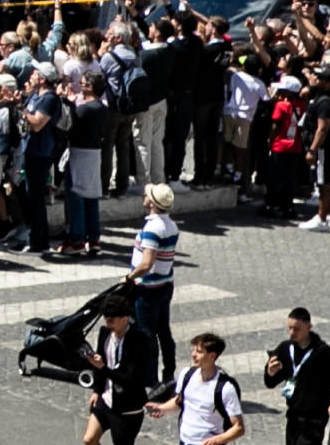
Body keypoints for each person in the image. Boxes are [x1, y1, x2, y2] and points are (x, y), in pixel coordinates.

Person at [86, 294, 165, 445]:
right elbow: (100, 362)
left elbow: (129, 378)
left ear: (125, 319)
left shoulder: (139, 341)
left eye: (111, 321)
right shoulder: (105, 333)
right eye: (106, 320)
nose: (108, 325)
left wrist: (103, 367)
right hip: (106, 400)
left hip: (127, 407)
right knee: (89, 439)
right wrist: (97, 389)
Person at [150, 333, 247, 445]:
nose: (193, 355)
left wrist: (217, 440)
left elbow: (239, 428)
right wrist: (161, 408)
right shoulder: (187, 374)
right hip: (184, 441)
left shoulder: (225, 389)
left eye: (199, 352)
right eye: (194, 350)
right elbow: (179, 402)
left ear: (212, 356)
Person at [265, 311, 330, 445]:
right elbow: (270, 382)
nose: (291, 332)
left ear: (308, 327)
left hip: (315, 418)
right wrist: (270, 372)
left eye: (296, 329)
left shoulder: (323, 352)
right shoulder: (285, 348)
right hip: (293, 415)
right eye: (289, 328)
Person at [130, 184, 182, 380]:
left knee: (147, 336)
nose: (144, 196)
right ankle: (168, 373)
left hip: (148, 289)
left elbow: (147, 263)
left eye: (147, 195)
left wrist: (129, 277)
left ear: (151, 203)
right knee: (164, 332)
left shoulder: (153, 228)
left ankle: (150, 379)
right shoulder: (171, 225)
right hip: (165, 284)